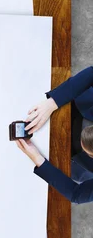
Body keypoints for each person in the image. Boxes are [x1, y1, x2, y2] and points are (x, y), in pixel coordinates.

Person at [16, 66, 93, 203]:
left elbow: (76, 194)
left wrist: (38, 160)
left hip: (71, 155)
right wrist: (53, 102)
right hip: (78, 104)